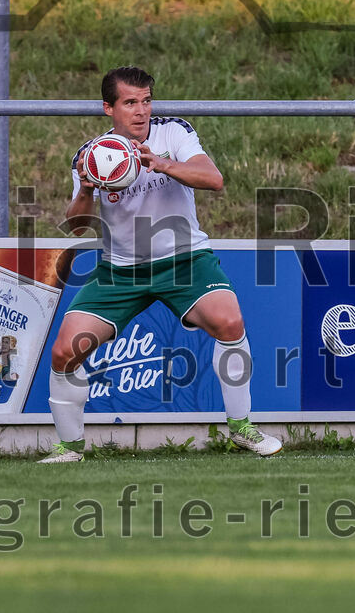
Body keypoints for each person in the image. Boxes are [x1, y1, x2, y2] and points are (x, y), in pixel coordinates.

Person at [39, 66, 282, 463]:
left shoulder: (173, 133)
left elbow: (214, 179)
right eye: (130, 102)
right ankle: (70, 448)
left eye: (146, 101)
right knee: (65, 352)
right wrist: (85, 188)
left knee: (230, 322)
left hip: (185, 260)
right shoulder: (94, 155)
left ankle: (241, 427)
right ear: (108, 108)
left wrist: (162, 163)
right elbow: (77, 225)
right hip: (121, 270)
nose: (141, 111)